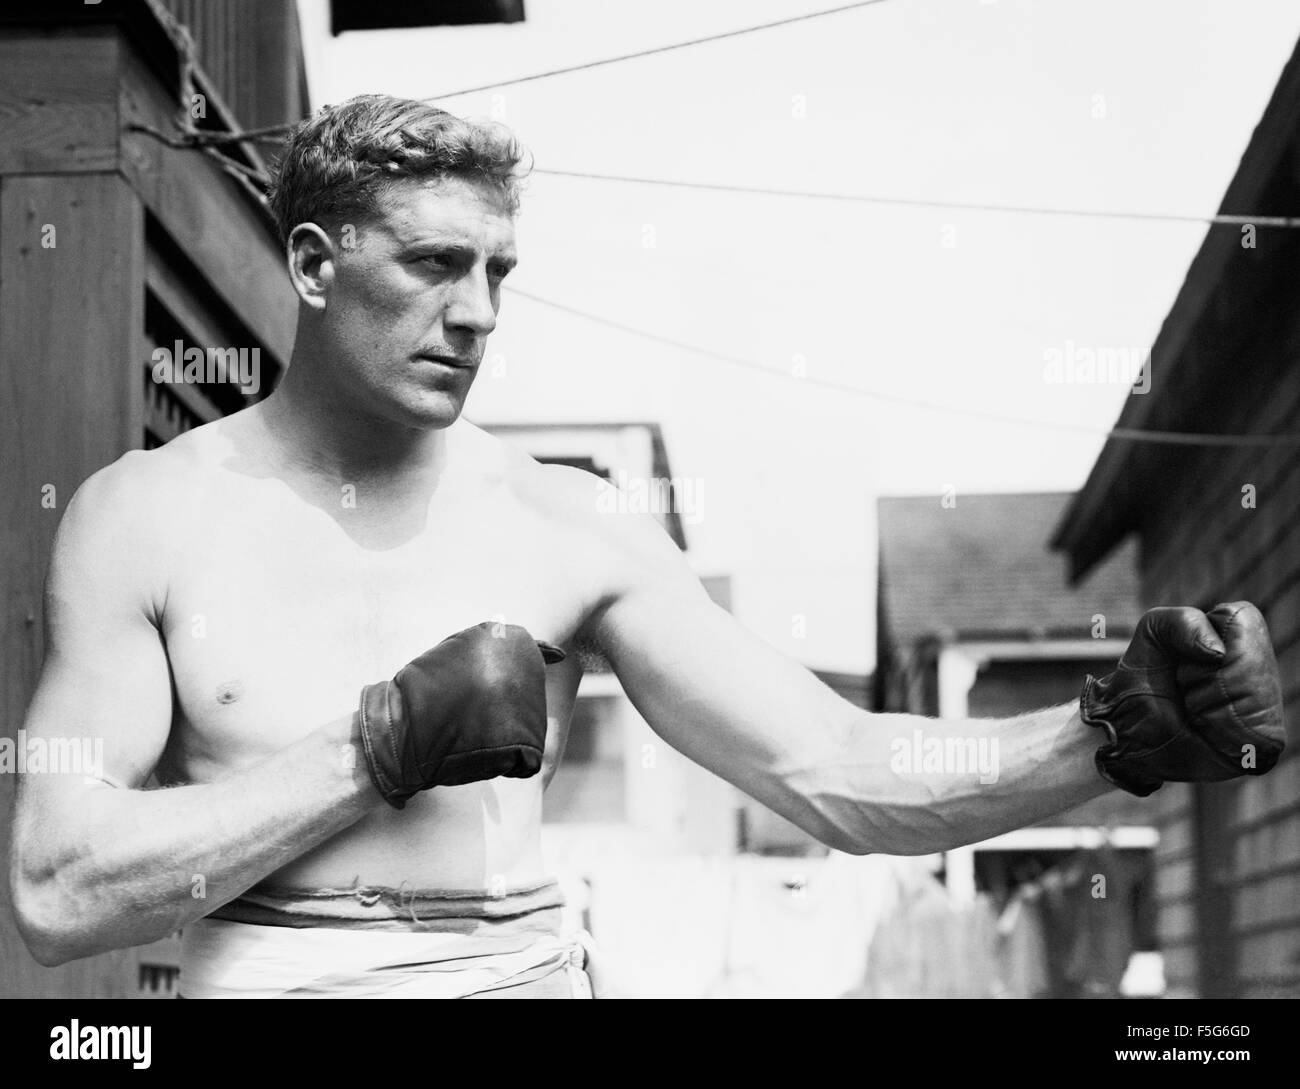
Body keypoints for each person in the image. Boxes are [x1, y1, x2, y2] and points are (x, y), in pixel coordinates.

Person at [9, 95, 1286, 998]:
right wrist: (372, 748)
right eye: (436, 264)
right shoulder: (150, 515)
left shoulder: (568, 520)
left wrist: (1107, 737)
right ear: (313, 263)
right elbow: (58, 893)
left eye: (501, 271)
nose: (478, 313)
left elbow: (833, 764)